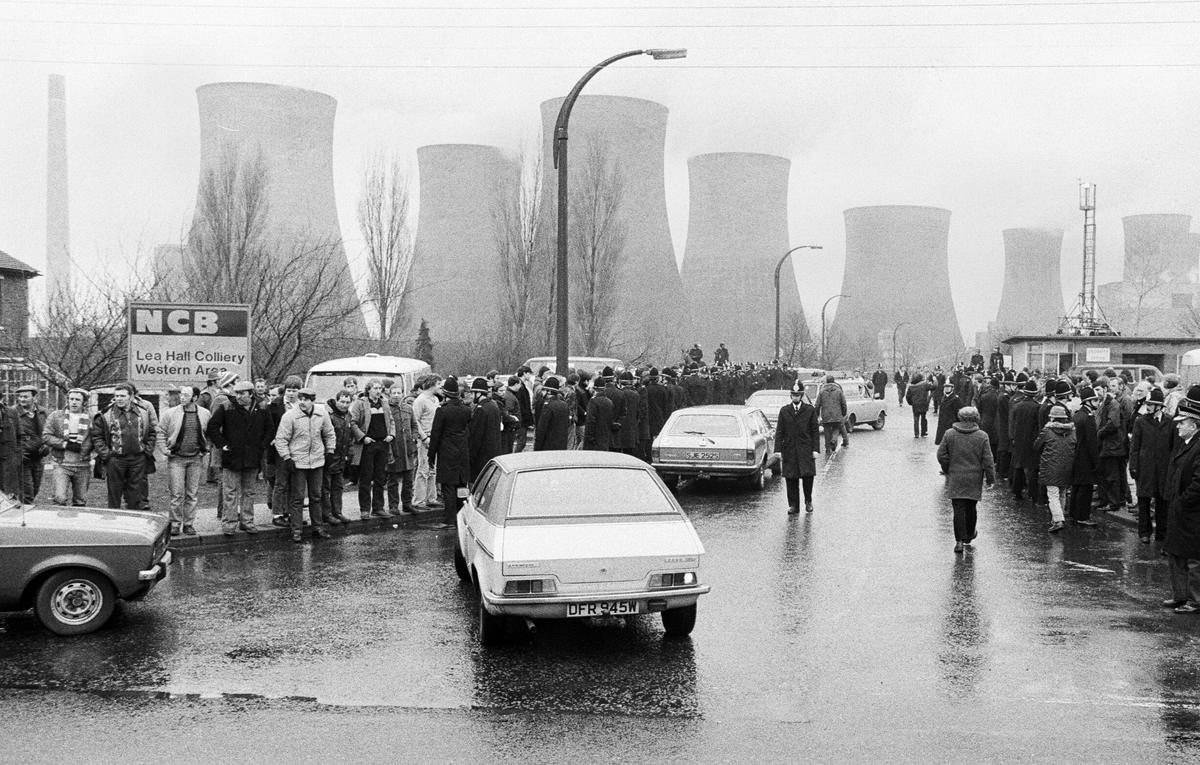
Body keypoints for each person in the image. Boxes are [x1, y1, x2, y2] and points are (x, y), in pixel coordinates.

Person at [206, 381, 270, 535]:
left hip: (252, 457)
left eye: (242, 393)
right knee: (230, 492)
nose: (239, 396)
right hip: (232, 457)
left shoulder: (261, 408)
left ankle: (247, 522)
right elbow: (212, 427)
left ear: (251, 393)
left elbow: (270, 429)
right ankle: (229, 524)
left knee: (249, 492)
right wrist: (222, 444)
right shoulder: (227, 406)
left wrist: (261, 445)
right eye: (237, 393)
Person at [274, 387, 336, 542]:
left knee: (316, 495)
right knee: (298, 497)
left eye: (306, 399)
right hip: (298, 462)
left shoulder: (322, 414)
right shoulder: (290, 416)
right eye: (300, 399)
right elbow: (281, 439)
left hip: (317, 461)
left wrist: (330, 451)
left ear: (312, 400)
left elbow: (329, 433)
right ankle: (296, 530)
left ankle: (318, 527)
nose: (302, 402)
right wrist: (287, 458)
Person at [936, 406, 995, 553]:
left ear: (960, 417)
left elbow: (941, 454)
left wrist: (948, 467)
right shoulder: (982, 436)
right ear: (976, 418)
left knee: (958, 508)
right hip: (974, 477)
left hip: (956, 476)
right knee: (971, 507)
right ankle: (969, 535)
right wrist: (990, 479)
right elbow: (988, 459)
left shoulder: (949, 434)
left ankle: (959, 541)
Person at [1162, 385, 1200, 613]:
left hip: (1192, 512)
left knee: (1194, 558)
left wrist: (1183, 501)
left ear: (1194, 426)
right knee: (1176, 553)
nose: (1177, 425)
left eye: (1182, 422)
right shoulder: (1186, 444)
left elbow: (1198, 483)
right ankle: (1180, 595)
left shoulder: (1198, 447)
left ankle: (1195, 600)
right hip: (1179, 509)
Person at [91, 383, 155, 510]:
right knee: (114, 496)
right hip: (115, 460)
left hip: (137, 460)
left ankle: (132, 524)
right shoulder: (105, 414)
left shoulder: (142, 412)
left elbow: (152, 432)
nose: (119, 398)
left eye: (122, 396)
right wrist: (106, 454)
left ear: (131, 397)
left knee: (136, 496)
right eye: (116, 396)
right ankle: (114, 525)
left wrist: (147, 450)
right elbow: (97, 437)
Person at [157, 385, 211, 536]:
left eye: (186, 395)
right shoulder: (171, 413)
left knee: (192, 493)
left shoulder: (205, 414)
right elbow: (160, 431)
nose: (182, 397)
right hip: (176, 459)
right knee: (176, 493)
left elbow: (210, 433)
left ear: (194, 398)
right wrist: (164, 450)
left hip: (195, 458)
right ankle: (175, 523)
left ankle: (188, 524)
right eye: (181, 394)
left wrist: (205, 448)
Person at [1131, 387, 1172, 544]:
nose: (1147, 407)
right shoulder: (1140, 421)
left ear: (1159, 406)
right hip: (1145, 468)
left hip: (1163, 469)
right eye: (1147, 403)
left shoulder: (1170, 422)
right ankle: (1144, 532)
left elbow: (1173, 447)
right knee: (1144, 501)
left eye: (1151, 404)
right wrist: (1133, 466)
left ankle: (1162, 534)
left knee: (1163, 502)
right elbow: (1134, 446)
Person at [350, 379, 395, 520]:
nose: (377, 391)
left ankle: (378, 508)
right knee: (366, 478)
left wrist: (391, 435)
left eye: (379, 388)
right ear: (368, 389)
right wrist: (363, 437)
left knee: (380, 477)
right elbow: (353, 422)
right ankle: (365, 509)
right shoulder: (360, 403)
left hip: (383, 444)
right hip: (368, 445)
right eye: (374, 388)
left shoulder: (385, 403)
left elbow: (391, 420)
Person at [428, 376, 471, 527]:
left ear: (446, 394)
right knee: (461, 486)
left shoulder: (442, 411)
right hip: (462, 452)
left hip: (447, 452)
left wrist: (431, 455)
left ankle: (449, 519)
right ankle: (461, 516)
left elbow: (435, 434)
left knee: (448, 487)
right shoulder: (466, 410)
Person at [42, 388, 93, 509]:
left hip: (83, 464)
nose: (74, 402)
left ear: (84, 402)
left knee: (80, 500)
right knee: (60, 498)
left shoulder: (92, 417)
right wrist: (65, 444)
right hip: (61, 463)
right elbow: (46, 436)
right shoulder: (56, 416)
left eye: (77, 400)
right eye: (71, 399)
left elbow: (97, 438)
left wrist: (90, 451)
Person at [776, 381, 820, 514]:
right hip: (790, 449)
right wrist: (778, 450)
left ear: (801, 396)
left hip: (805, 449)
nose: (795, 397)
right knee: (791, 478)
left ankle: (808, 501)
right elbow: (779, 431)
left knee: (807, 477)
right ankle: (793, 505)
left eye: (798, 395)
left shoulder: (809, 410)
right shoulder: (784, 411)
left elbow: (814, 431)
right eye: (793, 395)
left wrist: (815, 449)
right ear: (791, 396)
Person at [1034, 404, 1076, 533]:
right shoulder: (1073, 431)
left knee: (1052, 494)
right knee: (1062, 493)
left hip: (1050, 466)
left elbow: (1036, 446)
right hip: (1068, 466)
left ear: (1052, 418)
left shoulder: (1047, 431)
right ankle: (1059, 516)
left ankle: (1058, 520)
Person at [1070, 385, 1102, 527]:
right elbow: (1092, 442)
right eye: (1095, 400)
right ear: (1088, 402)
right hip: (1086, 458)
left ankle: (1073, 514)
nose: (1097, 403)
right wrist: (1096, 462)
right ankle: (1082, 516)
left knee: (1077, 486)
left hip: (1076, 456)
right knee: (1085, 488)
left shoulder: (1077, 415)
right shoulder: (1088, 418)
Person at [386, 383, 420, 514]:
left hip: (408, 449)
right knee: (393, 479)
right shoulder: (387, 409)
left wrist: (414, 437)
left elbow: (414, 425)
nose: (396, 396)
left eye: (398, 393)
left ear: (402, 393)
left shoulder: (408, 408)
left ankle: (407, 504)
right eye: (393, 393)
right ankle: (393, 506)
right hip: (394, 449)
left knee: (408, 479)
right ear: (390, 394)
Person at [322, 388, 354, 525]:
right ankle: (326, 513)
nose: (345, 405)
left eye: (347, 402)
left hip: (342, 457)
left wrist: (349, 453)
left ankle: (338, 511)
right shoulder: (329, 416)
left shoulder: (348, 416)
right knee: (325, 486)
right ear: (336, 401)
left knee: (338, 486)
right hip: (329, 457)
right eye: (342, 401)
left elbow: (349, 436)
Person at [12, 384, 48, 503]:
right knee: (27, 494)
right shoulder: (12, 413)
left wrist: (47, 446)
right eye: (20, 397)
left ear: (34, 398)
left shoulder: (43, 412)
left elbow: (49, 432)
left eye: (25, 397)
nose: (22, 399)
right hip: (23, 459)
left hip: (38, 458)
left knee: (35, 490)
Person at [412, 374, 443, 509]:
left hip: (435, 437)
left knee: (432, 469)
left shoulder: (435, 399)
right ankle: (418, 500)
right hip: (425, 438)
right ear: (431, 384)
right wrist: (424, 437)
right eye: (438, 384)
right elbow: (415, 420)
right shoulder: (420, 400)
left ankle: (431, 497)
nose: (440, 387)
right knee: (423, 469)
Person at [1009, 378, 1042, 503]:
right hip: (1031, 441)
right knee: (1032, 468)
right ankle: (1033, 494)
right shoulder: (1037, 407)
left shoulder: (1017, 406)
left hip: (1018, 440)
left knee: (1018, 465)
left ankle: (1016, 491)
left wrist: (1013, 438)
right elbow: (1038, 426)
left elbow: (1013, 424)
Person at [467, 376, 503, 484]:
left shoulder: (481, 409)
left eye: (473, 393)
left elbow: (475, 437)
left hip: (481, 458)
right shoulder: (493, 406)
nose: (471, 395)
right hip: (493, 454)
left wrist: (470, 457)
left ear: (478, 393)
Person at [534, 376, 571, 451]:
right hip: (561, 443)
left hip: (548, 444)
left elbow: (542, 428)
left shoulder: (548, 406)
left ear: (549, 391)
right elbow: (568, 423)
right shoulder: (564, 405)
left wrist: (537, 447)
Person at [583, 372, 617, 451]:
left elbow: (590, 421)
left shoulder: (593, 401)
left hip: (594, 440)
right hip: (605, 438)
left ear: (595, 388)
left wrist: (589, 437)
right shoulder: (609, 402)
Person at [814, 375, 847, 455]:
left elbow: (817, 405)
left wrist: (817, 414)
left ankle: (827, 449)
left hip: (825, 415)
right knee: (836, 428)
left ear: (827, 381)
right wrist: (843, 413)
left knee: (827, 432)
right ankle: (833, 440)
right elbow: (843, 404)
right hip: (837, 414)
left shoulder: (821, 391)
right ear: (834, 381)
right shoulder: (839, 391)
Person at [933, 380, 962, 446]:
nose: (946, 389)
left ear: (952, 389)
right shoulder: (943, 397)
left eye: (948, 388)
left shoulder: (956, 399)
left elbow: (958, 412)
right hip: (943, 422)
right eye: (945, 388)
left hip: (951, 423)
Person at [905, 372, 931, 438]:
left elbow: (908, 397)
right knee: (923, 418)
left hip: (915, 405)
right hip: (923, 404)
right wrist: (935, 379)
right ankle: (923, 432)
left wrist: (911, 403)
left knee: (916, 420)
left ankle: (916, 434)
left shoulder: (911, 387)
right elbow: (934, 386)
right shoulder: (924, 384)